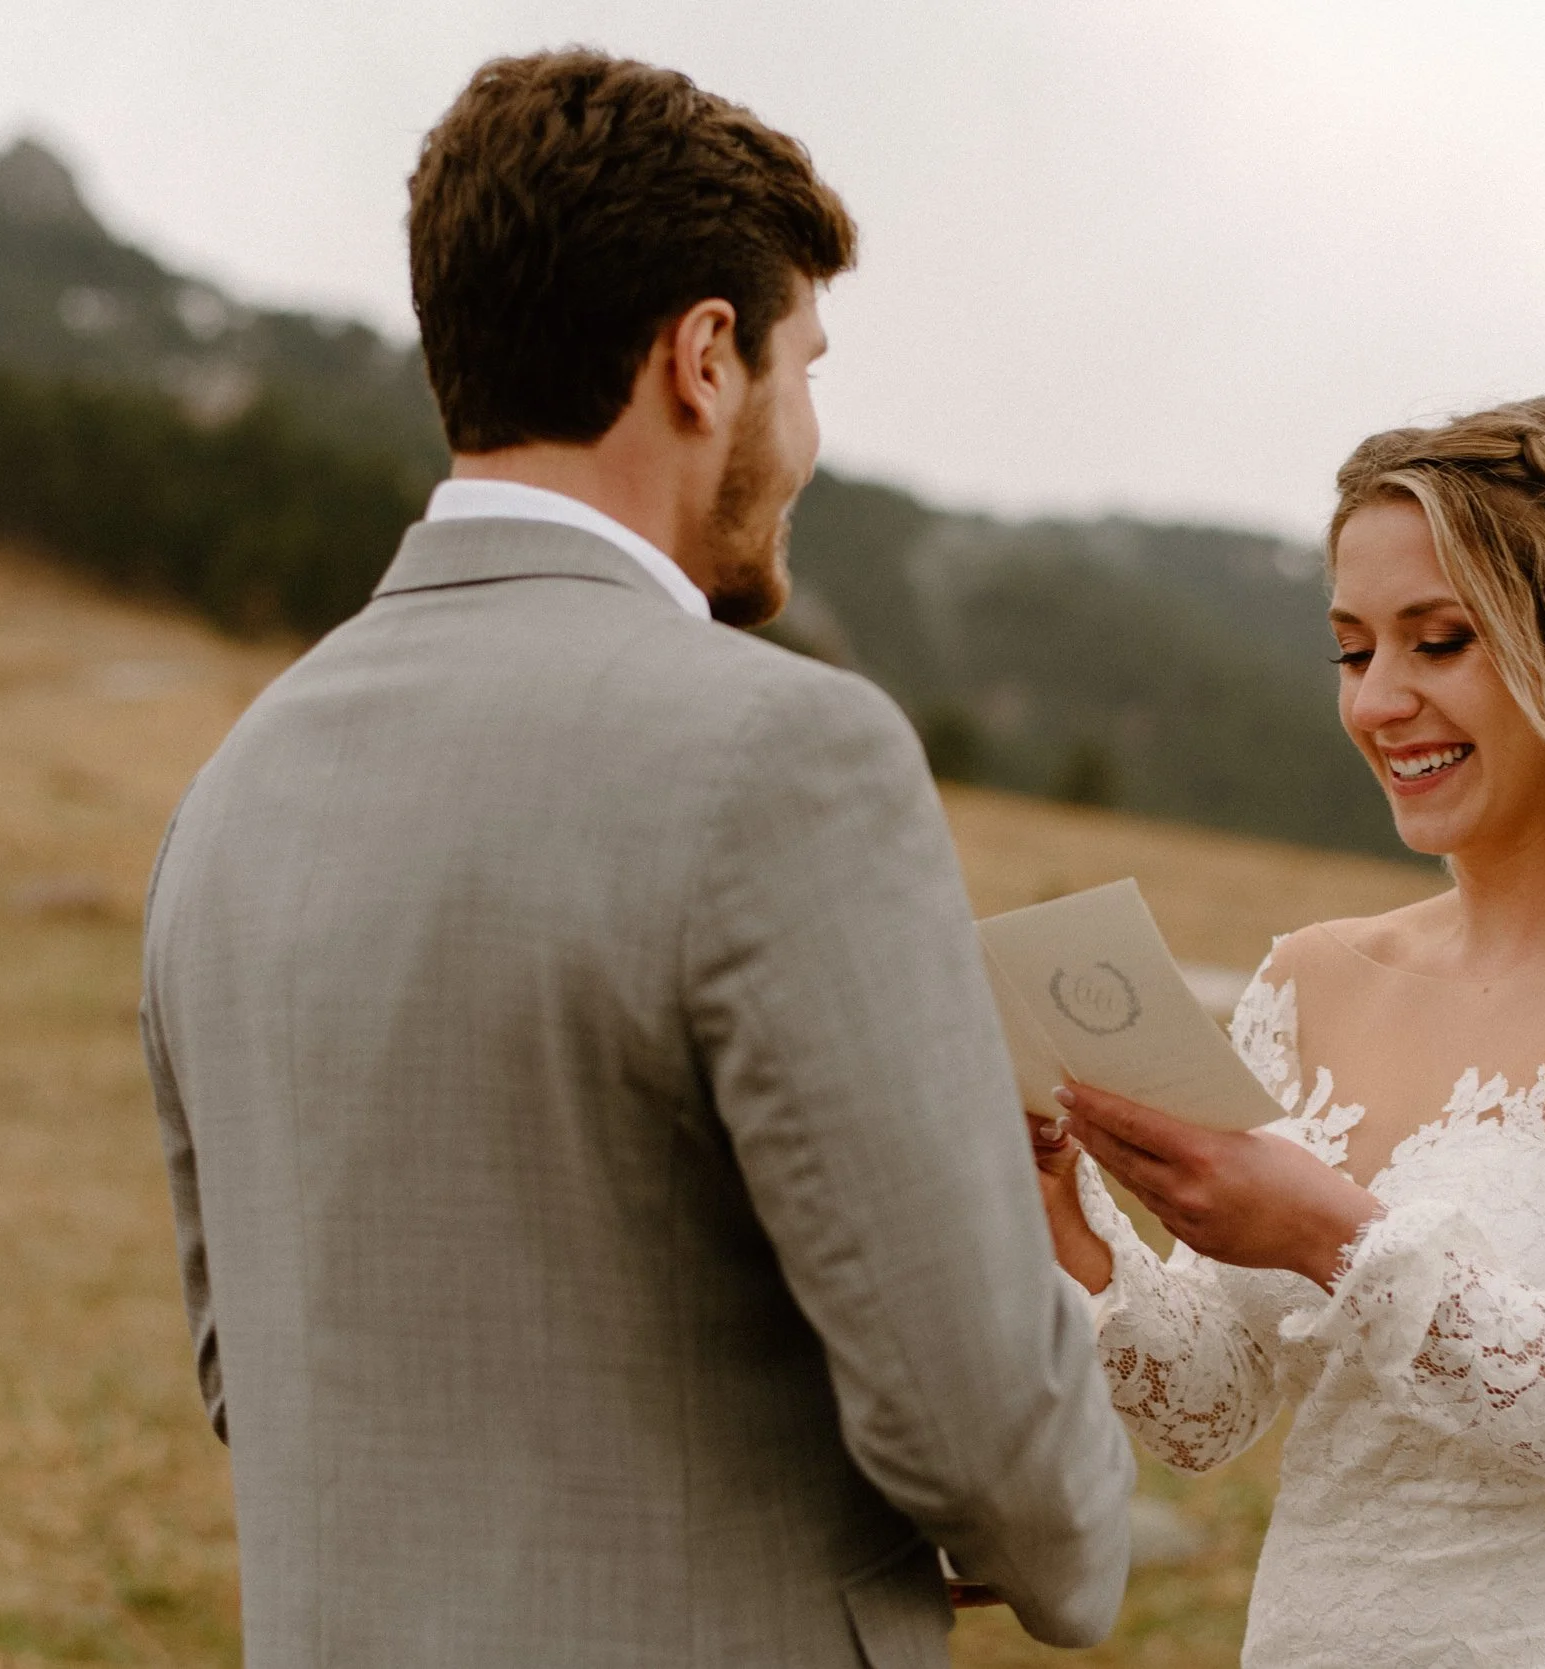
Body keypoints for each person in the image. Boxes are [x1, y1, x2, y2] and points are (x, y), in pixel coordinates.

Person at [141, 50, 1132, 1669]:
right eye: (805, 366)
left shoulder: (231, 789)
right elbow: (983, 1435)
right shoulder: (791, 756)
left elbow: (260, 1375)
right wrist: (1058, 1492)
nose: (806, 434)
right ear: (704, 359)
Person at [1033, 396, 1545, 1667]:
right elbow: (1205, 1410)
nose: (1379, 702)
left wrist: (1328, 1234)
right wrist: (1068, 1217)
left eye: (1438, 642)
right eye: (1353, 651)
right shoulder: (1308, 981)